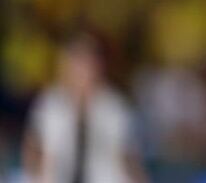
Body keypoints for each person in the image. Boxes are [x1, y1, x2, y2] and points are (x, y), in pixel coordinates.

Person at [21, 32, 148, 183]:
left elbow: (128, 156)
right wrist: (34, 174)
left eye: (88, 63)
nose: (83, 71)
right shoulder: (50, 103)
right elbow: (33, 145)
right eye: (77, 62)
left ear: (98, 66)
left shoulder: (114, 107)